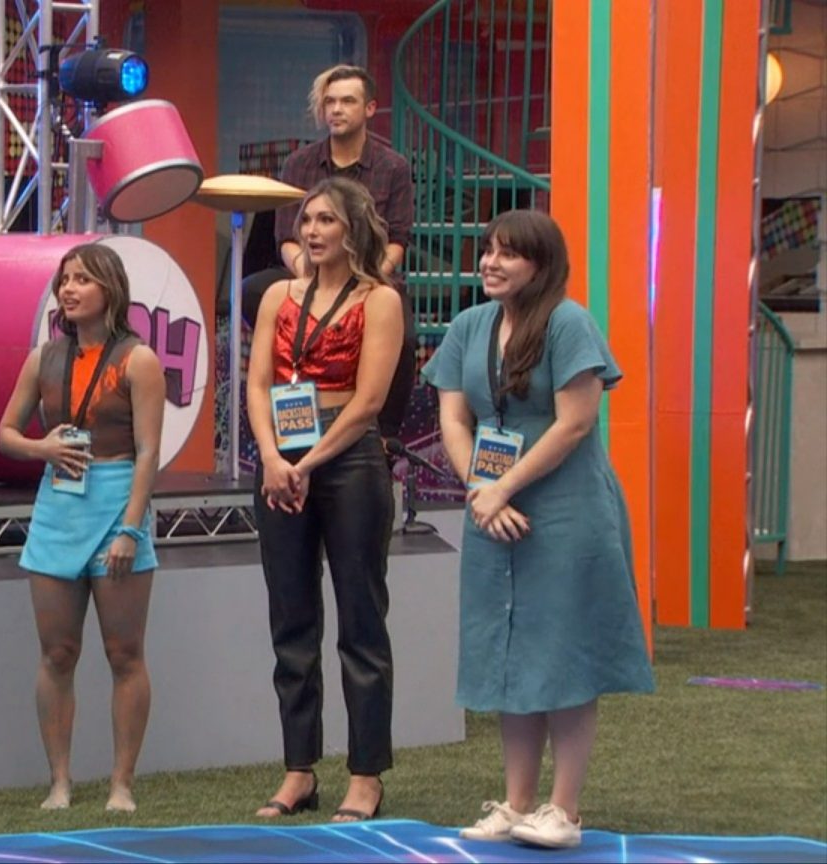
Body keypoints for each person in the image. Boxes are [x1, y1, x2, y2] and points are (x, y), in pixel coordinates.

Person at [421, 209, 654, 849]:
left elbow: (575, 423)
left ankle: (564, 811)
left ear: (541, 265)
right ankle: (518, 804)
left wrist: (504, 487)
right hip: (491, 508)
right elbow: (455, 420)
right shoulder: (469, 326)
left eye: (508, 253)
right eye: (487, 250)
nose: (490, 262)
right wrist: (482, 491)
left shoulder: (569, 323)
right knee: (509, 651)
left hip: (566, 508)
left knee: (562, 650)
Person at [245, 177, 404, 822]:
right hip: (281, 460)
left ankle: (365, 775)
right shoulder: (277, 296)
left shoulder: (380, 300)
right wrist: (273, 459)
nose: (312, 231)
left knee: (361, 620)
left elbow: (369, 402)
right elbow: (257, 383)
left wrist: (308, 463)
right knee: (291, 620)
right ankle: (298, 770)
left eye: (326, 220)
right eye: (307, 220)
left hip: (349, 459)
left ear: (353, 228)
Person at [0, 242, 167, 813]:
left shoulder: (139, 360)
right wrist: (41, 448)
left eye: (82, 280)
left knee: (124, 652)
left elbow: (148, 453)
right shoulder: (43, 358)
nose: (69, 289)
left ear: (109, 290)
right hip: (58, 506)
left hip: (117, 502)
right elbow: (5, 435)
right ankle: (60, 782)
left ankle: (122, 785)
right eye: (64, 280)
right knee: (57, 652)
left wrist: (131, 530)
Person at [243, 64, 417, 441]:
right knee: (253, 289)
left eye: (347, 101)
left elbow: (398, 240)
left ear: (369, 108)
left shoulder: (393, 167)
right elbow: (286, 238)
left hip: (371, 275)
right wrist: (315, 279)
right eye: (330, 102)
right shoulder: (299, 163)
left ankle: (386, 435)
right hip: (309, 272)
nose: (336, 109)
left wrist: (364, 280)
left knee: (403, 332)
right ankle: (295, 377)